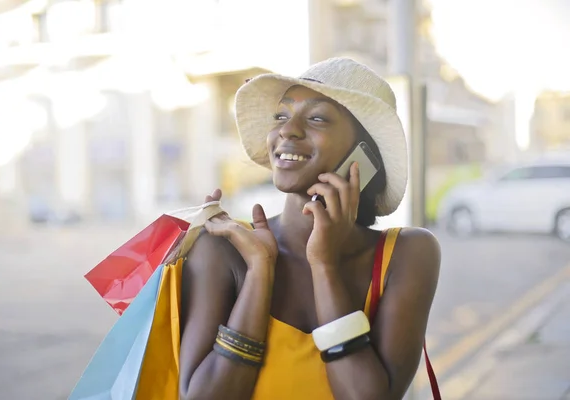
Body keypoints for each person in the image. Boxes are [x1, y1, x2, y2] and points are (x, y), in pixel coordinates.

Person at [179, 58, 441, 400]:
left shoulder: (408, 254)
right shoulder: (223, 248)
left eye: (317, 117)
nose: (287, 130)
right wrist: (259, 273)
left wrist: (324, 265)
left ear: (364, 155)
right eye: (281, 116)